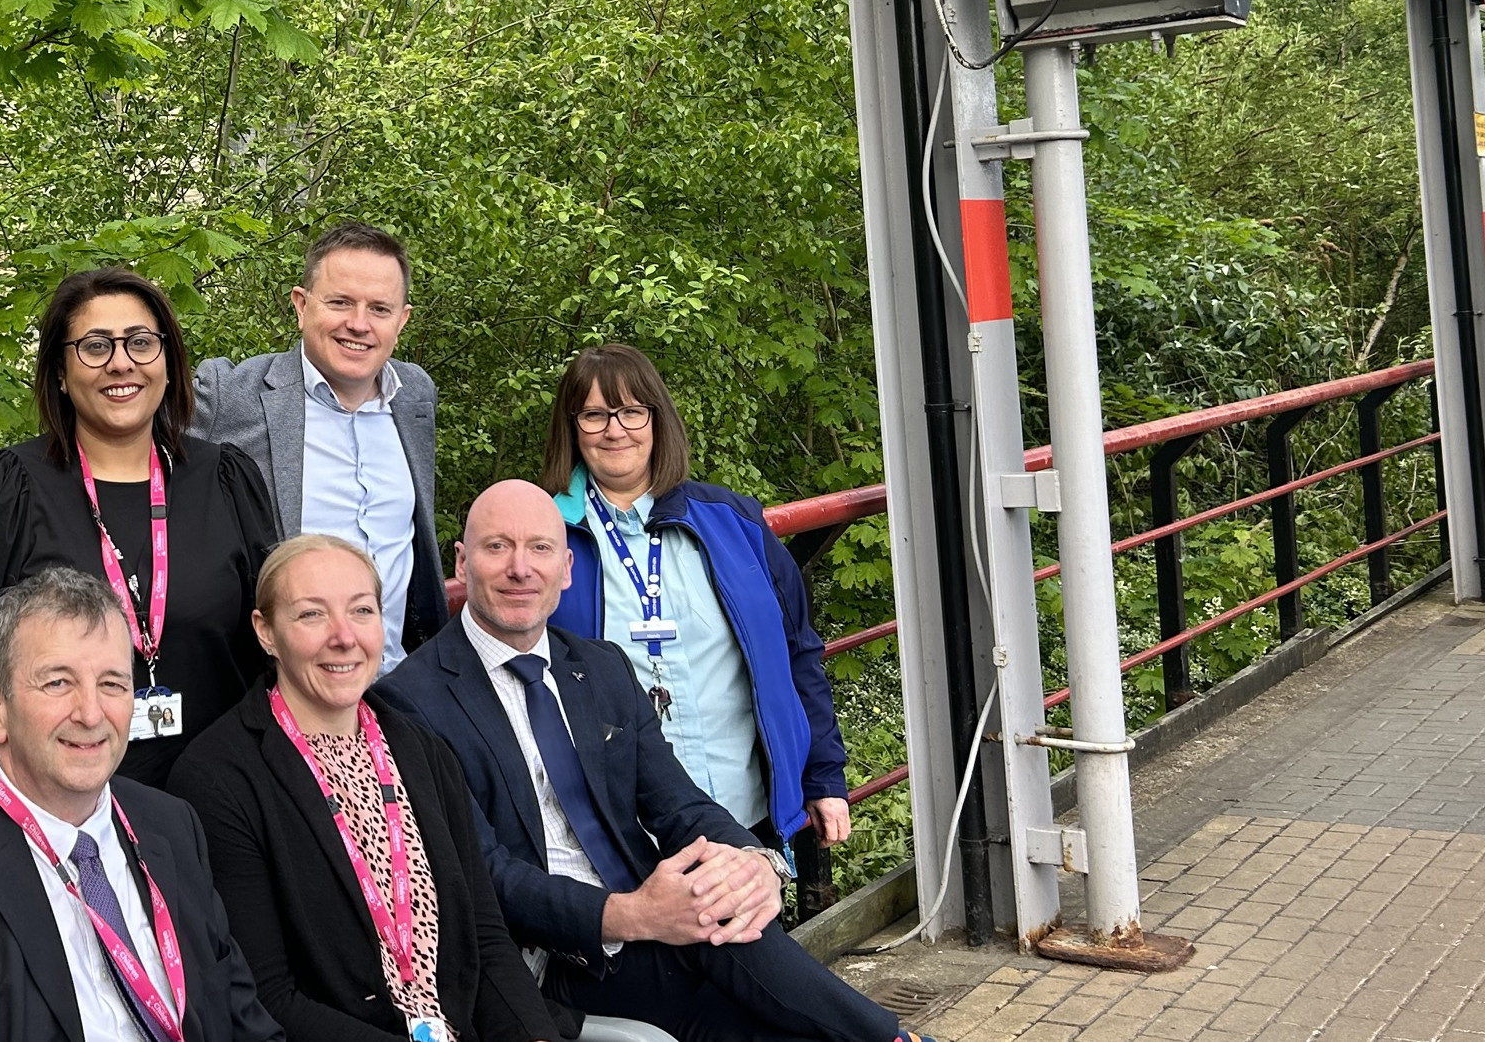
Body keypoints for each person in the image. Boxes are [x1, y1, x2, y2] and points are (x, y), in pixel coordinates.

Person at [381, 482, 923, 1042]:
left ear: (566, 568)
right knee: (751, 981)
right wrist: (631, 915)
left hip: (656, 927)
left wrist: (757, 862)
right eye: (498, 547)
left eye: (540, 548)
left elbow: (679, 804)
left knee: (726, 908)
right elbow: (483, 874)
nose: (521, 568)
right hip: (550, 958)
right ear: (463, 561)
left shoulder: (599, 666)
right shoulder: (410, 702)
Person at [0, 567, 286, 1042]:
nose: (90, 713)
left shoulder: (172, 827)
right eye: (57, 683)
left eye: (112, 684)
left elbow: (245, 1024)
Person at [172, 534, 559, 1042]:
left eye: (361, 610)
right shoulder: (219, 777)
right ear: (266, 632)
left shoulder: (424, 751)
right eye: (312, 615)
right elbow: (267, 997)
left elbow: (483, 940)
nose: (343, 637)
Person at [0, 268, 283, 795]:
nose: (121, 362)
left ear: (168, 362)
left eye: (141, 343)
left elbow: (268, 658)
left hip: (219, 803)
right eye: (95, 346)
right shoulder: (0, 493)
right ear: (58, 370)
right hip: (55, 806)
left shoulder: (227, 482)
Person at [539, 345, 851, 855]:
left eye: (631, 411)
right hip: (624, 827)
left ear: (658, 420)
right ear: (571, 428)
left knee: (754, 932)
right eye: (594, 415)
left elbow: (797, 653)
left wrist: (821, 778)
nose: (615, 430)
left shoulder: (734, 522)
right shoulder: (546, 534)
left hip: (746, 808)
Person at [195, 222, 443, 676]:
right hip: (278, 689)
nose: (359, 324)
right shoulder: (231, 397)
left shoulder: (415, 397)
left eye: (379, 309)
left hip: (400, 684)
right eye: (341, 302)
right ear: (301, 306)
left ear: (402, 320)